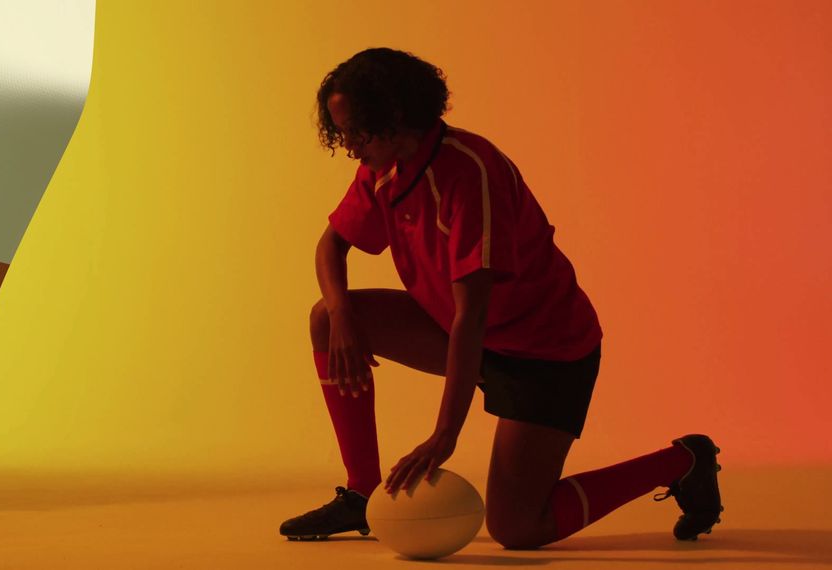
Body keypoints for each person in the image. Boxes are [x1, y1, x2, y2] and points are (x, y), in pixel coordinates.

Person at [278, 47, 723, 548]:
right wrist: (341, 312)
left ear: (395, 115)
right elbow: (332, 243)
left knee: (517, 528)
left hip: (544, 353)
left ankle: (685, 460)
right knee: (325, 316)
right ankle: (362, 493)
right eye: (341, 133)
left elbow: (473, 315)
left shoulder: (470, 171)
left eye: (355, 131)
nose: (348, 146)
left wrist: (443, 436)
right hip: (464, 333)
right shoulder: (385, 166)